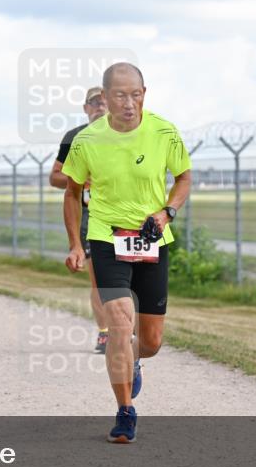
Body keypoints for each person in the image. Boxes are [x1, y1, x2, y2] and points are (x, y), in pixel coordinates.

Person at [62, 62, 192, 443]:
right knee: (120, 324)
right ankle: (125, 411)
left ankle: (133, 358)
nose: (129, 103)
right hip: (106, 238)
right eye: (120, 95)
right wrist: (75, 242)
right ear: (104, 98)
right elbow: (71, 193)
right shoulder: (87, 141)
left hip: (152, 239)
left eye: (136, 94)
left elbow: (183, 178)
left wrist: (167, 212)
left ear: (144, 94)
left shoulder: (164, 132)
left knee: (149, 341)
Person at [49, 86, 109, 353]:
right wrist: (78, 179)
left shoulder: (127, 134)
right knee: (99, 279)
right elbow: (55, 177)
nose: (101, 106)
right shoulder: (73, 137)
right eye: (95, 102)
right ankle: (105, 332)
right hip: (89, 217)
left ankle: (128, 325)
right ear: (86, 108)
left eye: (105, 101)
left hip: (124, 216)